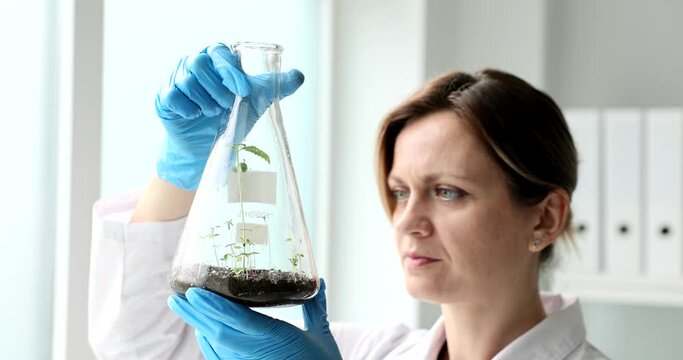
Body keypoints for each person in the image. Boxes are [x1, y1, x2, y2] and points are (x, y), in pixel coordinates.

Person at [88, 43, 608, 359]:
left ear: (545, 217)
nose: (408, 221)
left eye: (448, 192)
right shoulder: (366, 352)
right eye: (401, 191)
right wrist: (181, 170)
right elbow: (146, 351)